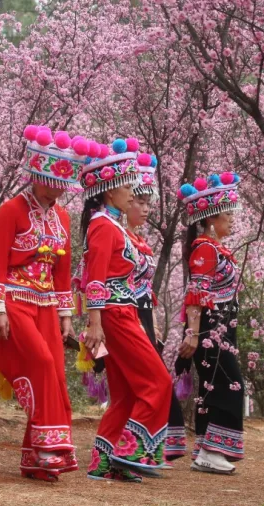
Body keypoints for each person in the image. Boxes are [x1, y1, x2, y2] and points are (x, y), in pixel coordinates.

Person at [0, 125, 97, 481]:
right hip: (15, 300)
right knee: (43, 364)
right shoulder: (10, 210)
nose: (62, 188)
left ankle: (38, 457)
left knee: (55, 375)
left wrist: (66, 316)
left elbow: (62, 271)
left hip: (48, 306)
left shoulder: (62, 217)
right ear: (38, 174)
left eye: (66, 182)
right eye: (55, 180)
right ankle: (50, 446)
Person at [75, 137, 172, 482]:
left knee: (127, 394)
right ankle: (131, 451)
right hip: (114, 316)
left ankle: (103, 464)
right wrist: (95, 324)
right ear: (109, 189)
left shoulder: (113, 226)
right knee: (158, 382)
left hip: (121, 313)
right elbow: (95, 280)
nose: (133, 193)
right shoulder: (103, 226)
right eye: (127, 186)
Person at [176, 172, 244, 475]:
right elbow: (195, 294)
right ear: (212, 219)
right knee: (228, 385)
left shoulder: (217, 248)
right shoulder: (205, 249)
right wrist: (192, 333)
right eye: (228, 214)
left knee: (215, 385)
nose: (232, 220)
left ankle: (206, 450)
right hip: (209, 328)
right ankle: (212, 449)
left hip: (222, 327)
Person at [126, 152, 186, 465]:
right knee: (149, 381)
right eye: (141, 202)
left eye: (150, 204)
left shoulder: (139, 240)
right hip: (125, 315)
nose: (147, 210)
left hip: (144, 315)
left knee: (149, 381)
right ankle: (132, 448)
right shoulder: (113, 234)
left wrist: (152, 320)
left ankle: (147, 448)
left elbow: (145, 285)